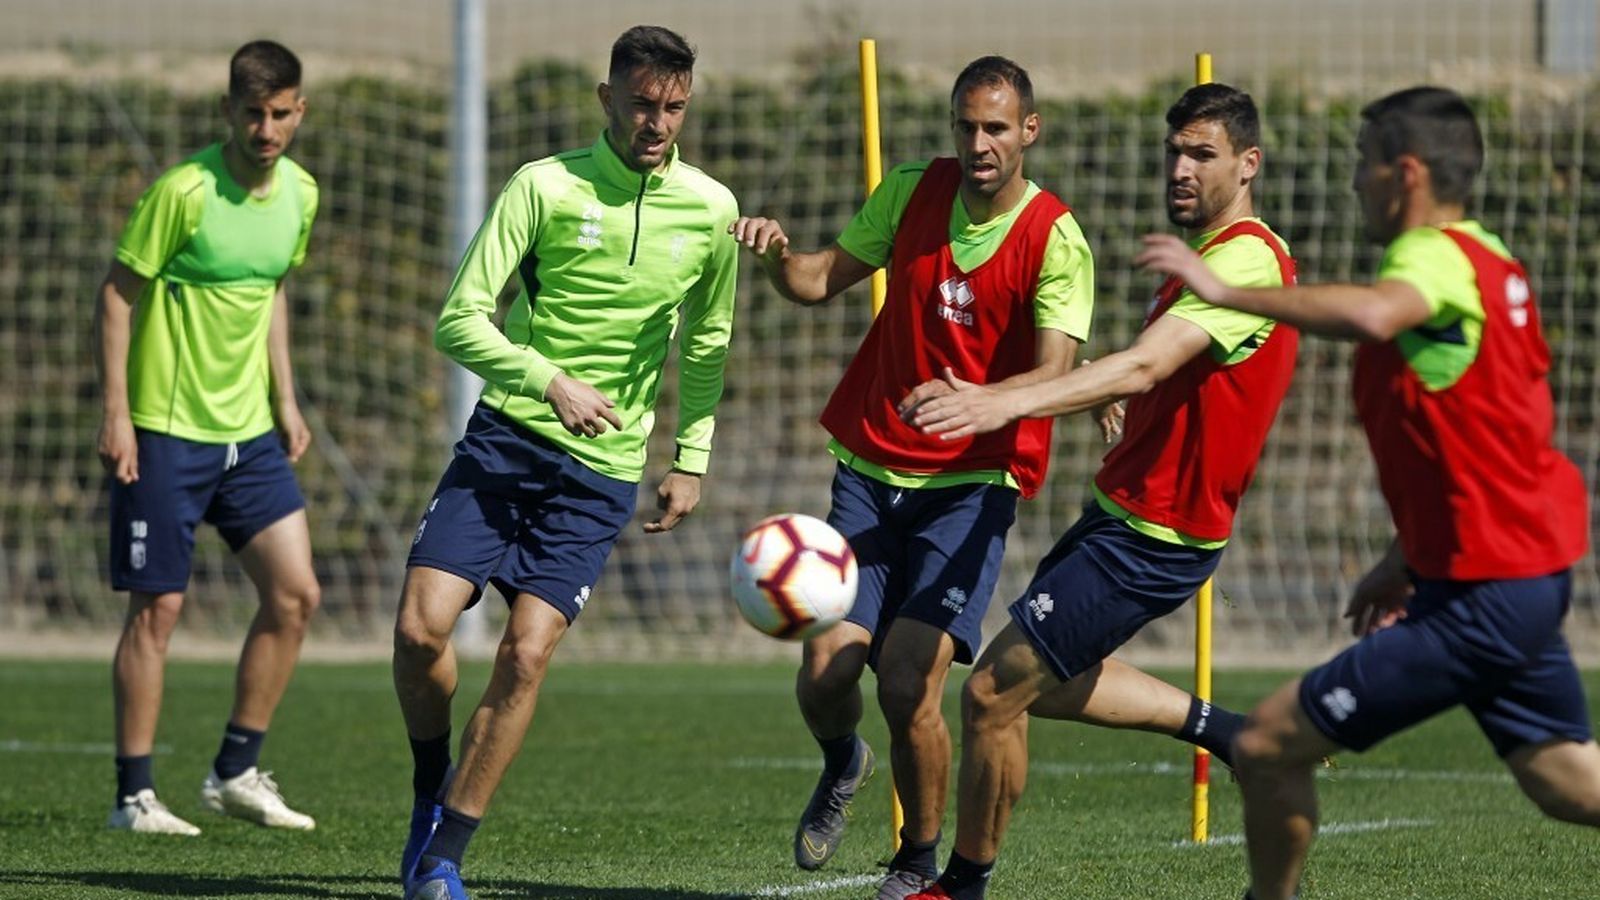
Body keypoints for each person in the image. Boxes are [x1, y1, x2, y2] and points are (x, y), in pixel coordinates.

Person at [1136, 85, 1597, 900]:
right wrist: (1403, 559)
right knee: (1565, 782)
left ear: (1406, 173)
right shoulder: (1490, 262)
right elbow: (1486, 445)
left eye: (1365, 164)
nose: (1354, 183)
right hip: (1512, 571)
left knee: (1269, 743)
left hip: (1489, 591)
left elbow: (1380, 314)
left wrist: (1227, 291)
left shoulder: (1430, 260)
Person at [899, 83, 1298, 900]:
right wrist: (1108, 385)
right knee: (1028, 688)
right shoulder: (1207, 257)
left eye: (1203, 155)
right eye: (1174, 152)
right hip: (1122, 513)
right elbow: (1168, 366)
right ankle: (1228, 732)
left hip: (1156, 537)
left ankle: (960, 885)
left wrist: (1000, 399)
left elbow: (1153, 361)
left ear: (1249, 164)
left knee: (988, 694)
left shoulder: (1249, 256)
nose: (1180, 169)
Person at [730, 56, 1093, 899]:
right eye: (966, 126)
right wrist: (781, 253)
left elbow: (1056, 374)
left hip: (968, 492)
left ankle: (915, 863)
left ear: (1028, 131)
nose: (979, 143)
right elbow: (819, 281)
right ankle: (841, 762)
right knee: (824, 676)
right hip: (867, 473)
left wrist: (981, 402)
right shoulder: (909, 192)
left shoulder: (1055, 238)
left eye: (996, 127)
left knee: (904, 679)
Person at [391, 25, 739, 900]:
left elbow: (706, 342)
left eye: (674, 108)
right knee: (418, 630)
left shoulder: (711, 210)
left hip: (601, 473)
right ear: (607, 100)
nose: (658, 123)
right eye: (642, 104)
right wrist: (549, 382)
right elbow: (459, 319)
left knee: (525, 656)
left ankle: (444, 859)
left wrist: (689, 457)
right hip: (507, 438)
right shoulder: (542, 187)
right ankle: (431, 783)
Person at [96, 39, 320, 837]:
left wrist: (286, 402)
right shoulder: (183, 192)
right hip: (164, 430)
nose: (266, 129)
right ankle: (134, 797)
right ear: (229, 111)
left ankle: (235, 771)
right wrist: (118, 413)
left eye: (280, 114)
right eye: (252, 114)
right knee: (158, 610)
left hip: (250, 435)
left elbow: (271, 296)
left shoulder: (300, 194)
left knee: (295, 596)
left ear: (300, 112)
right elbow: (118, 297)